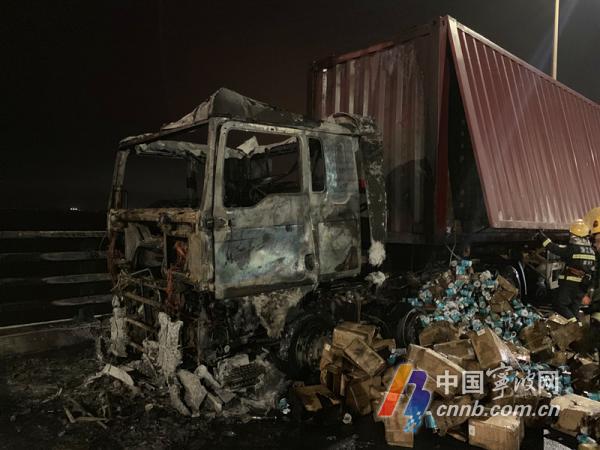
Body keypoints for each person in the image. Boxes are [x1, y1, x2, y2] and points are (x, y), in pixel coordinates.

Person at [540, 219, 597, 320]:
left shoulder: (573, 248)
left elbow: (554, 249)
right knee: (574, 308)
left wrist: (542, 237)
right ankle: (578, 326)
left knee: (560, 304)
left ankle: (574, 324)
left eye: (572, 235)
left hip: (569, 283)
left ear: (576, 236)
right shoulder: (592, 251)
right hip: (583, 284)